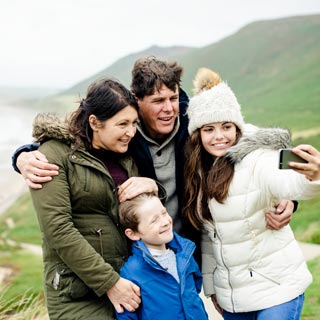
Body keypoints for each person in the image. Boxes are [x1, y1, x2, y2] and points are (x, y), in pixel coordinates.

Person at [12, 57, 295, 246]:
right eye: (158, 101)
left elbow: (252, 139)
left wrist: (291, 200)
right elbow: (77, 137)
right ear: (137, 101)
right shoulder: (124, 133)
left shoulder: (195, 124)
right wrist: (24, 155)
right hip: (143, 252)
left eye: (173, 98)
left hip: (193, 248)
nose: (169, 108)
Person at [183, 67, 320, 320]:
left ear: (238, 127)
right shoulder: (198, 173)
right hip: (234, 299)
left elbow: (287, 183)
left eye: (226, 126)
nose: (219, 136)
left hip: (278, 288)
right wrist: (214, 289)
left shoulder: (257, 159)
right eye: (209, 129)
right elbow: (211, 237)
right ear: (198, 134)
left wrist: (314, 177)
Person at [28, 78, 163, 319]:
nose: (131, 132)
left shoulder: (126, 158)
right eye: (122, 124)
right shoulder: (54, 154)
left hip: (129, 285)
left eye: (134, 123)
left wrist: (153, 188)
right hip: (77, 294)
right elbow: (57, 229)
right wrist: (110, 283)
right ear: (94, 122)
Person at [116, 192, 208, 320]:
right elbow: (127, 316)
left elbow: (195, 287)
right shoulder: (131, 272)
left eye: (164, 213)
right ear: (133, 234)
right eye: (154, 220)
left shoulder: (185, 255)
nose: (165, 222)